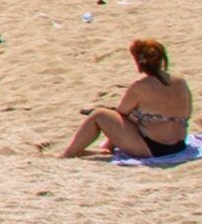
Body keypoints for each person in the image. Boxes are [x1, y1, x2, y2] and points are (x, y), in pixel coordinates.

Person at [57, 38, 193, 157]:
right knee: (140, 117)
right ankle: (107, 148)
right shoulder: (180, 81)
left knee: (99, 115)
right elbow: (187, 113)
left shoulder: (140, 86)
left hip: (154, 148)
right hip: (179, 145)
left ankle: (68, 154)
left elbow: (121, 113)